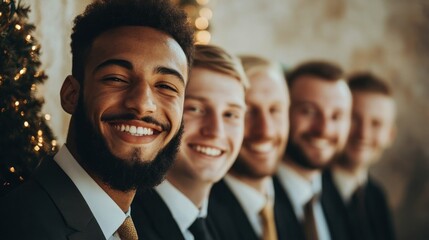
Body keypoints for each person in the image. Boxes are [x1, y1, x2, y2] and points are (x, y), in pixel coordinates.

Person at [0, 0, 194, 239]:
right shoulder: (20, 226)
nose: (143, 104)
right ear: (71, 95)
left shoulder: (142, 226)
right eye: (116, 79)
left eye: (165, 86)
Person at [131, 44, 249, 240]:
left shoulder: (229, 222)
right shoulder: (128, 225)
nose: (215, 131)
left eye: (230, 114)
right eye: (195, 109)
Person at [209, 55, 291, 240]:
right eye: (248, 112)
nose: (265, 130)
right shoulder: (204, 213)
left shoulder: (291, 201)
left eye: (275, 110)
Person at [274, 60, 353, 240]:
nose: (323, 129)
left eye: (336, 116)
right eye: (309, 111)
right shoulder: (261, 200)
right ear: (285, 112)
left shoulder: (337, 194)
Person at [326, 72, 396, 240]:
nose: (363, 134)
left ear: (390, 135)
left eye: (376, 124)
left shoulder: (376, 196)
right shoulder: (310, 194)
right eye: (353, 119)